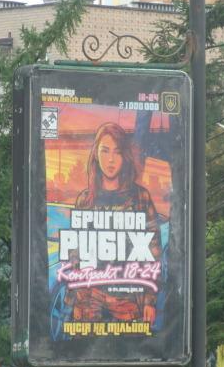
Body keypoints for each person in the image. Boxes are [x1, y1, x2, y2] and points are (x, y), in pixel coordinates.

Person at [64, 122, 161, 322]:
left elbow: (153, 253)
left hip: (128, 294)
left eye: (117, 152)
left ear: (125, 156)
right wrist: (72, 300)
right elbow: (75, 255)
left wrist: (150, 301)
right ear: (95, 154)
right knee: (84, 342)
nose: (110, 159)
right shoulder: (85, 200)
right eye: (105, 151)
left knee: (132, 342)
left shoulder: (140, 197)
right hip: (88, 295)